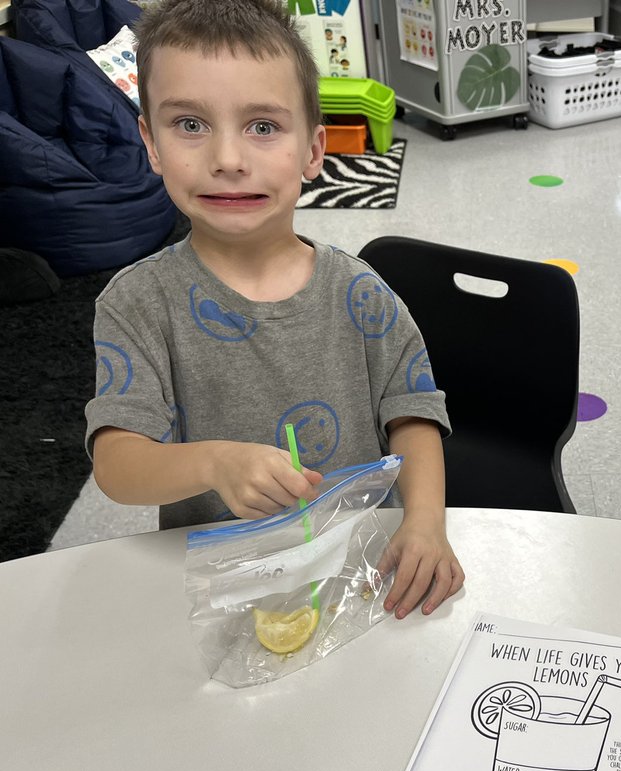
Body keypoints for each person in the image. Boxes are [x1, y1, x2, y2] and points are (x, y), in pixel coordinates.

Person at [85, 0, 465, 619]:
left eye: (263, 126)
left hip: (362, 571)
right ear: (150, 143)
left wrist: (425, 524)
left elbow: (413, 411)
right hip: (222, 587)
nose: (229, 159)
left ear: (313, 151)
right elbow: (117, 464)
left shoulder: (360, 292)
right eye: (190, 124)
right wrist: (214, 461)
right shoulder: (137, 304)